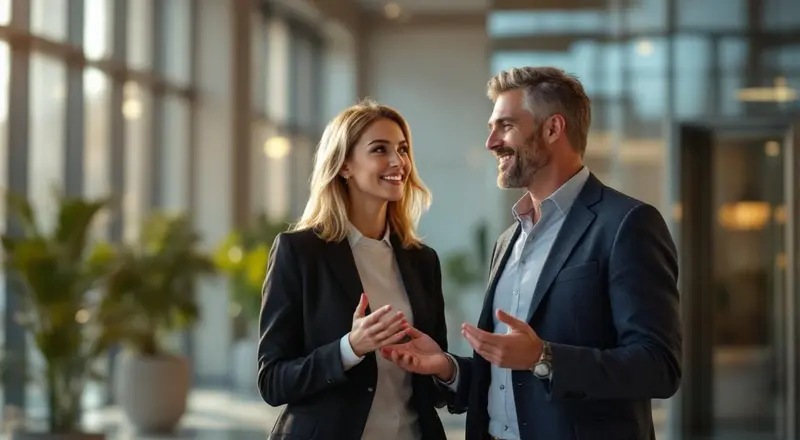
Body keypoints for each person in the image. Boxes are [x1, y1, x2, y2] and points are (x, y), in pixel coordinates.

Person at [381, 66, 683, 440]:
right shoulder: (508, 241)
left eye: (505, 126)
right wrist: (447, 367)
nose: (491, 142)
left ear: (553, 128)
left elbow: (659, 366)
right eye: (491, 127)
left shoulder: (627, 224)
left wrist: (544, 357)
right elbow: (512, 382)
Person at [257, 99, 451, 440]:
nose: (398, 162)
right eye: (380, 149)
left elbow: (434, 392)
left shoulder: (423, 261)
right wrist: (349, 348)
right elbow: (273, 381)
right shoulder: (300, 253)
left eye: (402, 149)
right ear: (344, 165)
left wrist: (444, 368)